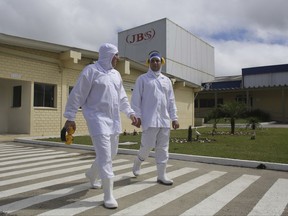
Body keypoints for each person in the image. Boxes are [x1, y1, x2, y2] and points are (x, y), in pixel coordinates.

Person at [63, 43, 137, 209]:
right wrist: (70, 116)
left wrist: (131, 113)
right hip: (96, 119)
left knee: (112, 153)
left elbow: (122, 98)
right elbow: (77, 94)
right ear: (107, 55)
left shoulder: (116, 75)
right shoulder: (91, 71)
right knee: (105, 157)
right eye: (115, 55)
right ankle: (108, 194)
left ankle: (91, 174)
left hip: (114, 120)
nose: (118, 58)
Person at [131, 50, 179, 185]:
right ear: (149, 63)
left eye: (158, 60)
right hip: (149, 119)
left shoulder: (167, 81)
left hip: (164, 120)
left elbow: (171, 100)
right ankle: (138, 162)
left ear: (161, 62)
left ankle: (161, 175)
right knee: (147, 146)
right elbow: (136, 100)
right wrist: (137, 116)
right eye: (153, 61)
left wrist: (174, 118)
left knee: (163, 148)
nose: (155, 63)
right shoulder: (142, 79)